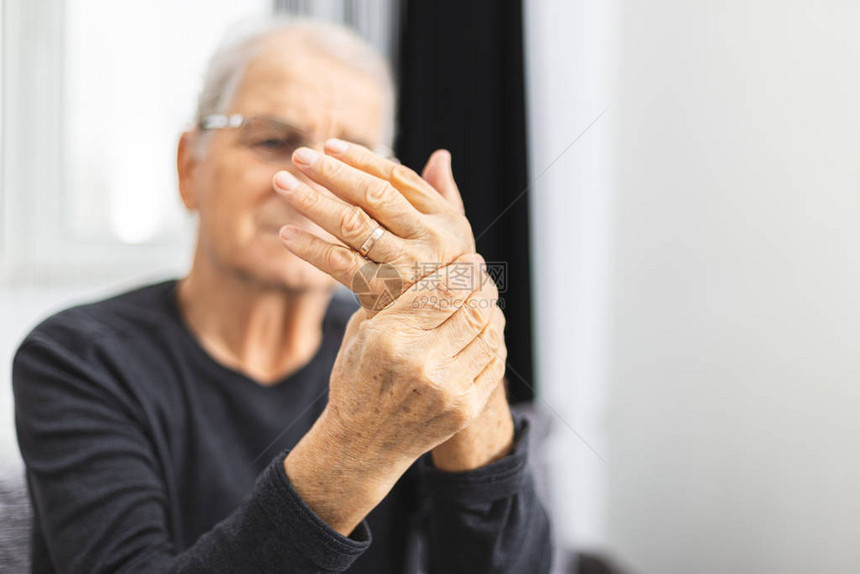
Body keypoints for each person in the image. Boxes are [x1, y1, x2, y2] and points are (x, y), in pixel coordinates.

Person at [12, 17, 553, 574]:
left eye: (351, 160)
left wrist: (464, 335)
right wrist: (357, 449)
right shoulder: (81, 356)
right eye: (273, 141)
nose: (314, 185)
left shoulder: (406, 356)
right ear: (188, 167)